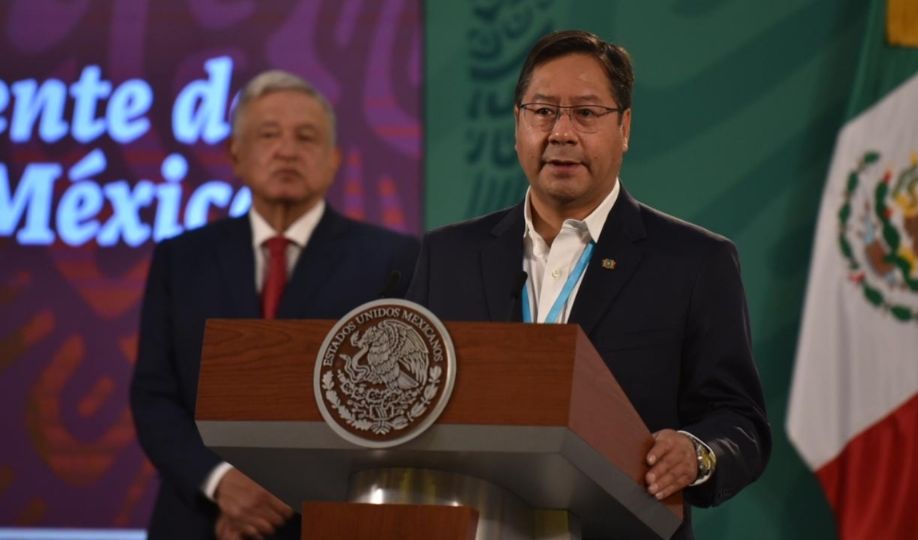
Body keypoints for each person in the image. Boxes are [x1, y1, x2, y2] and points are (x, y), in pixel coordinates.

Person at [406, 30, 770, 539]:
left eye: (586, 112)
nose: (561, 132)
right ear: (517, 126)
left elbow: (740, 422)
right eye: (543, 111)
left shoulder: (695, 262)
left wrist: (696, 453)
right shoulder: (448, 256)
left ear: (624, 127)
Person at [130, 70, 419, 539]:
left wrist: (290, 488)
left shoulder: (394, 259)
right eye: (268, 135)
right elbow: (153, 395)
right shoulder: (181, 258)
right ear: (236, 155)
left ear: (332, 161)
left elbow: (396, 403)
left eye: (306, 137)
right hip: (199, 518)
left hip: (325, 520)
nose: (287, 150)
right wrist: (221, 484)